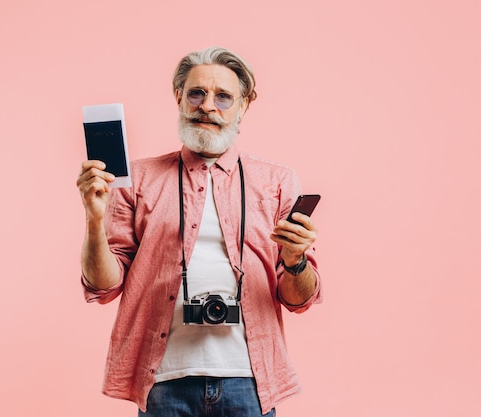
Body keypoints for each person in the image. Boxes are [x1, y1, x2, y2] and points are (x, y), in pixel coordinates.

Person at [76, 46, 322, 417]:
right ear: (179, 98)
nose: (208, 105)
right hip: (163, 380)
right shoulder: (137, 179)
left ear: (244, 106)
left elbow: (298, 299)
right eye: (196, 93)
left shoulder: (276, 181)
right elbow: (104, 286)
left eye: (223, 96)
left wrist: (295, 259)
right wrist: (94, 220)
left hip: (250, 381)